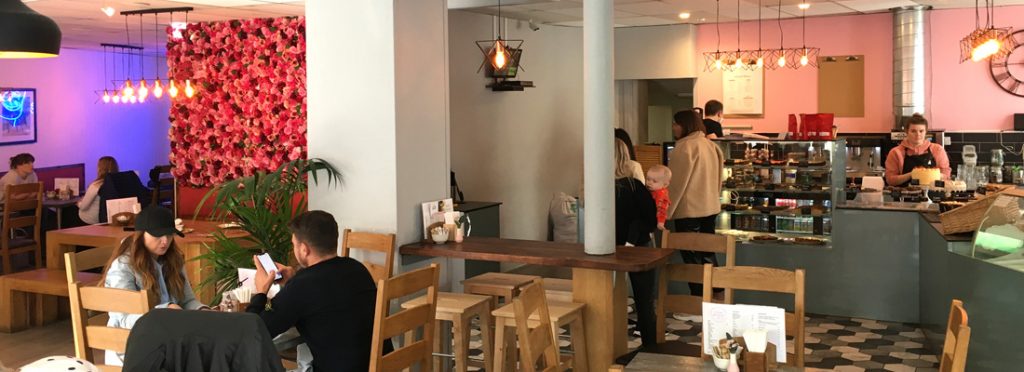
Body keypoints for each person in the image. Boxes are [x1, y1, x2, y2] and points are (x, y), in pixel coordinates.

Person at [249, 210, 379, 372]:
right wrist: (293, 280)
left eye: (294, 244)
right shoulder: (357, 268)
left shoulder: (301, 286)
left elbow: (253, 332)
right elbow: (326, 294)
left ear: (304, 249)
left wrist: (261, 292)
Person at [102, 206, 208, 365]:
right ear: (141, 234)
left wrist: (204, 311)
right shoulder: (123, 266)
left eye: (169, 235)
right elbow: (123, 319)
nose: (165, 241)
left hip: (169, 340)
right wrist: (164, 312)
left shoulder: (174, 259)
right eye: (158, 235)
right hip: (132, 346)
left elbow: (187, 301)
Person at [667, 109, 725, 295]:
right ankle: (716, 292)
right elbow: (718, 179)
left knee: (691, 257)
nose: (673, 127)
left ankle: (698, 300)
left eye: (676, 123)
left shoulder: (684, 147)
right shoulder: (711, 145)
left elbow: (676, 184)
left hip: (689, 210)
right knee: (708, 252)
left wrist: (665, 212)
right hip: (710, 207)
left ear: (685, 125)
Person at [613, 138, 659, 348]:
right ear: (625, 156)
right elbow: (650, 220)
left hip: (608, 249)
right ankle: (650, 347)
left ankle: (608, 348)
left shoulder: (599, 189)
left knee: (607, 299)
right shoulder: (635, 186)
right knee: (644, 300)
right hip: (639, 248)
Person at [885, 114, 951, 186]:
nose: (918, 134)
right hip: (905, 195)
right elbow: (890, 180)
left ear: (926, 132)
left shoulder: (938, 150)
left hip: (933, 195)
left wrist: (929, 174)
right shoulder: (895, 152)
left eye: (921, 131)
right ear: (907, 132)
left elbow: (946, 176)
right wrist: (912, 174)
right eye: (913, 131)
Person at [77, 156, 119, 225]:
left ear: (100, 168)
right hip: (109, 218)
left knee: (70, 211)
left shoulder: (96, 185)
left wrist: (78, 202)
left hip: (92, 220)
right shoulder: (118, 183)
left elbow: (83, 207)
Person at [646, 164, 672, 231]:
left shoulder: (661, 194)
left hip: (655, 221)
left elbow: (662, 209)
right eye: (648, 179)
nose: (649, 183)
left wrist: (660, 222)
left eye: (654, 181)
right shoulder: (651, 190)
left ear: (665, 185)